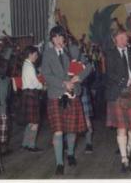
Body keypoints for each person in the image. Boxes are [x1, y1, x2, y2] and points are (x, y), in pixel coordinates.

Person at [41, 25, 90, 175]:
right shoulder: (47, 54)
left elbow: (88, 66)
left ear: (64, 37)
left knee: (71, 129)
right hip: (56, 95)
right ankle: (59, 163)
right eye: (54, 37)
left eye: (60, 36)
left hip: (73, 94)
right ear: (51, 39)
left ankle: (70, 154)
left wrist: (79, 77)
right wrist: (63, 83)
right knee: (58, 131)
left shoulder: (73, 51)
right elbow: (46, 75)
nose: (57, 40)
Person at [105, 27, 131, 173]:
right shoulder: (109, 54)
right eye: (121, 37)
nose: (125, 40)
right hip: (118, 93)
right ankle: (124, 159)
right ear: (114, 39)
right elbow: (111, 75)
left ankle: (128, 149)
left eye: (126, 37)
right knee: (121, 127)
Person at [67, 43, 94, 154]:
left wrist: (80, 77)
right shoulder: (62, 56)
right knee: (69, 119)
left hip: (81, 91)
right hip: (68, 91)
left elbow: (89, 70)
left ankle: (88, 143)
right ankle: (67, 143)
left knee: (86, 119)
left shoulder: (82, 58)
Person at [21, 46, 43, 152]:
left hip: (27, 94)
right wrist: (42, 86)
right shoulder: (29, 66)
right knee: (35, 121)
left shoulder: (26, 64)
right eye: (35, 54)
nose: (37, 56)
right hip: (32, 93)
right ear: (30, 54)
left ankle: (25, 143)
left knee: (30, 121)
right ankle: (31, 145)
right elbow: (35, 82)